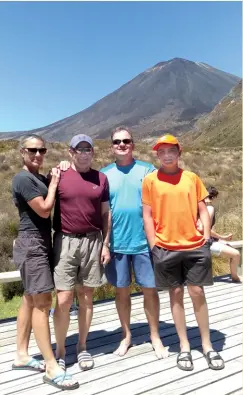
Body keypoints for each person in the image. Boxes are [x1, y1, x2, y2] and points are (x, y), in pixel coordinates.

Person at [142, 134, 225, 371]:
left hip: (194, 245)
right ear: (157, 155)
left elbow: (202, 208)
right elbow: (147, 214)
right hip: (165, 247)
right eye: (162, 151)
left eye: (171, 151)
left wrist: (206, 236)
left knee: (197, 291)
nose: (167, 155)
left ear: (179, 153)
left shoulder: (191, 178)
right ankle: (184, 345)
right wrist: (153, 243)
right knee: (175, 293)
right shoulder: (150, 181)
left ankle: (207, 345)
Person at [12, 134, 79, 390]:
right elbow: (43, 209)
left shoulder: (37, 177)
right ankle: (51, 367)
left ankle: (21, 354)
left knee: (30, 298)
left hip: (40, 240)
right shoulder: (23, 178)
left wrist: (55, 174)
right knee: (43, 302)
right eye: (32, 150)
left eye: (42, 150)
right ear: (22, 152)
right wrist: (53, 185)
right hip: (32, 243)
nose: (37, 154)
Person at [100, 126, 168, 359]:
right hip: (117, 244)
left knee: (150, 291)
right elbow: (103, 211)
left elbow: (164, 200)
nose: (122, 145)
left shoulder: (147, 170)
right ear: (111, 146)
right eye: (117, 141)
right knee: (121, 292)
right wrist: (105, 243)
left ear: (133, 144)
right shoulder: (104, 175)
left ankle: (155, 335)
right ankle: (126, 335)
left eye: (126, 141)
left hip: (144, 243)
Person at [53, 134, 111, 372]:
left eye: (88, 149)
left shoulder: (101, 178)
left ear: (93, 152)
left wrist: (106, 244)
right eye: (80, 149)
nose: (84, 153)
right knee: (64, 299)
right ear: (71, 152)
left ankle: (83, 346)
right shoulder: (59, 174)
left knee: (86, 297)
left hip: (92, 241)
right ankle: (60, 350)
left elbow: (106, 214)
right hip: (65, 241)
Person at [199, 186, 241, 283]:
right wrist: (223, 237)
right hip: (205, 244)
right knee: (236, 254)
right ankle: (235, 278)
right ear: (213, 197)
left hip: (200, 241)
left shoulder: (199, 206)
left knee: (228, 245)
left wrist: (219, 239)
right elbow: (205, 229)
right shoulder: (209, 208)